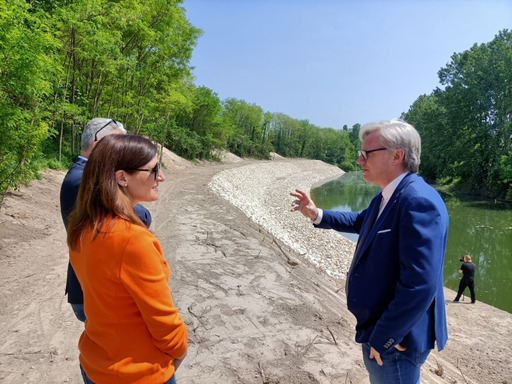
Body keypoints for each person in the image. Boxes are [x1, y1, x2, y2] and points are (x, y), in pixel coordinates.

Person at [290, 119, 449, 384]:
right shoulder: (389, 195)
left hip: (397, 340)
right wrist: (316, 213)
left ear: (397, 155)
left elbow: (420, 284)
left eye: (367, 153)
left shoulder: (417, 201)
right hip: (385, 329)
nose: (358, 160)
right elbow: (361, 221)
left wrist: (385, 336)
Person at [67, 134, 188, 384]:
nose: (161, 176)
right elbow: (163, 321)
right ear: (122, 177)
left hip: (95, 364)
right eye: (154, 169)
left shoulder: (83, 228)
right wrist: (179, 351)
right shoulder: (133, 241)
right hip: (136, 373)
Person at [60, 118, 152, 322]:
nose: (121, 153)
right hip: (93, 290)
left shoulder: (83, 175)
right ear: (98, 145)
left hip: (93, 286)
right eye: (116, 146)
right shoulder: (84, 180)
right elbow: (142, 217)